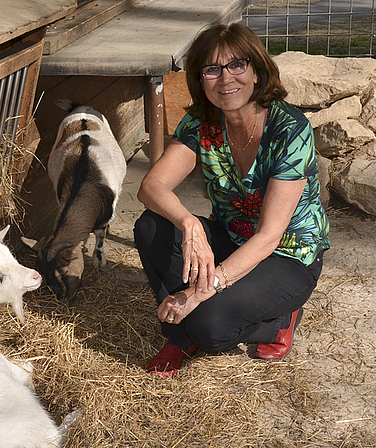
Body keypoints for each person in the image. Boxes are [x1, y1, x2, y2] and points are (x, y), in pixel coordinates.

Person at [133, 22, 330, 378]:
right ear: (200, 78)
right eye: (212, 69)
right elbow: (151, 187)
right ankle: (179, 337)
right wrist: (190, 225)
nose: (226, 79)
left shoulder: (289, 130)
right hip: (231, 238)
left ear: (257, 71)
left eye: (237, 65)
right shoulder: (200, 122)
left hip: (287, 255)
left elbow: (269, 237)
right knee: (151, 225)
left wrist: (202, 290)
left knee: (212, 328)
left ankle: (279, 321)